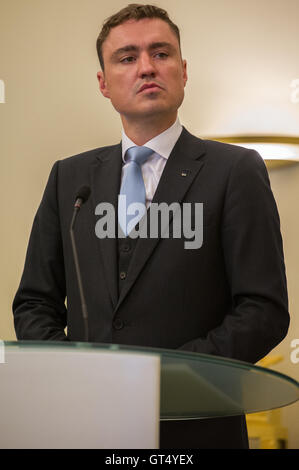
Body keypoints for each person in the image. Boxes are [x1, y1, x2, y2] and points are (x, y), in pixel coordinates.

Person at [12, 4, 289, 449]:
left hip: (199, 427)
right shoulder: (69, 178)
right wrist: (73, 377)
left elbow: (263, 308)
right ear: (103, 83)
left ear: (183, 70)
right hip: (86, 428)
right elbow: (34, 303)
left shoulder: (235, 170)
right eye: (127, 57)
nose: (146, 67)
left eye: (160, 53)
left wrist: (163, 380)